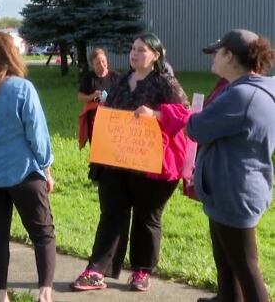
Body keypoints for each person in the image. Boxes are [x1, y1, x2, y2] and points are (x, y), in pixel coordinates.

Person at [71, 33, 189, 292]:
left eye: (141, 50)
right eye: (132, 49)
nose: (134, 54)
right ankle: (97, 270)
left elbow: (185, 114)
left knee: (147, 218)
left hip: (151, 165)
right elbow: (110, 112)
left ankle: (141, 271)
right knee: (112, 213)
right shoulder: (123, 80)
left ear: (156, 56)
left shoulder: (165, 82)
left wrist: (156, 114)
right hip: (117, 160)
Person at [183, 30, 275, 302]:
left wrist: (192, 116)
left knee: (246, 267)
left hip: (235, 192)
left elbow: (196, 128)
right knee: (226, 259)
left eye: (217, 52)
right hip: (232, 187)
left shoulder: (240, 97)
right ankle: (227, 297)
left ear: (230, 56)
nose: (213, 57)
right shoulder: (261, 87)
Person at [0, 31, 55, 302]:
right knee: (43, 234)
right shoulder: (22, 88)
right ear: (11, 55)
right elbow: (37, 137)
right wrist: (47, 169)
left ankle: (1, 296)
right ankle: (44, 292)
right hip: (25, 173)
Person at [77, 48, 120, 147]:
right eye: (97, 63)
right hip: (94, 120)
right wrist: (93, 96)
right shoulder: (89, 78)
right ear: (93, 65)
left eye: (103, 61)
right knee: (97, 147)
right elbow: (80, 97)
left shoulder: (116, 77)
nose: (101, 65)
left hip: (113, 118)